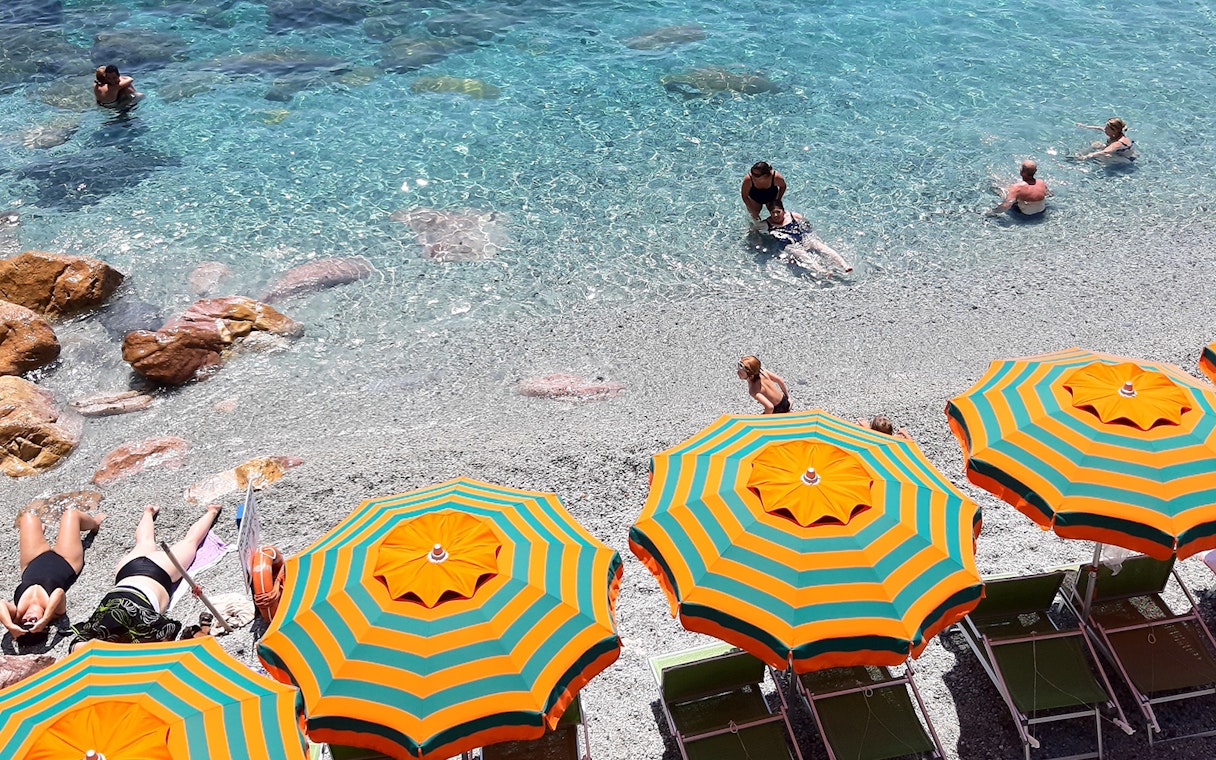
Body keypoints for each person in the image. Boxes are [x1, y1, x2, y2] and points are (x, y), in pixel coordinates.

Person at [71, 504, 220, 647]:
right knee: (144, 542)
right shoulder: (94, 628)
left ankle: (212, 511)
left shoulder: (140, 624)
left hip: (158, 573)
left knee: (190, 542)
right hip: (125, 574)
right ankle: (148, 512)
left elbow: (171, 628)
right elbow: (75, 646)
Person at [1, 508, 105, 641]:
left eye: (24, 623)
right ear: (43, 626)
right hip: (66, 560)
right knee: (71, 515)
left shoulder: (17, 613)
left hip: (33, 561)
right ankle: (94, 523)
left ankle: (40, 533)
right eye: (33, 622)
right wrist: (45, 619)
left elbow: (1, 604)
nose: (28, 618)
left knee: (28, 518)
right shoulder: (55, 611)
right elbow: (59, 592)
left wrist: (10, 625)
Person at [763, 206, 853, 272]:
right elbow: (754, 228)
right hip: (790, 246)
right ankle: (823, 271)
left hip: (804, 239)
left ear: (783, 211)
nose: (775, 215)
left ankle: (844, 265)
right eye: (772, 213)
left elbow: (807, 224)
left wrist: (809, 233)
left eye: (778, 212)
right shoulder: (767, 223)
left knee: (824, 249)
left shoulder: (793, 216)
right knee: (804, 256)